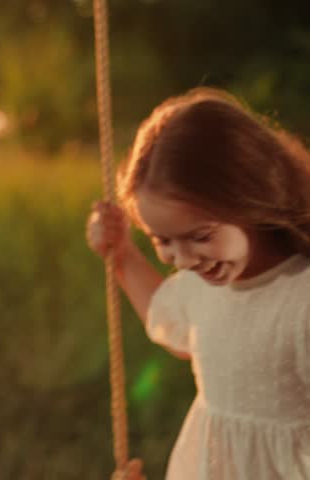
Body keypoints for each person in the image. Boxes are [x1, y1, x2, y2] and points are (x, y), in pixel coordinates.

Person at [86, 87, 310, 480]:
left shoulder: (300, 300)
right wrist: (121, 253)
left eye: (200, 236)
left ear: (253, 199)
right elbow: (171, 317)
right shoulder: (206, 282)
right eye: (162, 240)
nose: (183, 261)